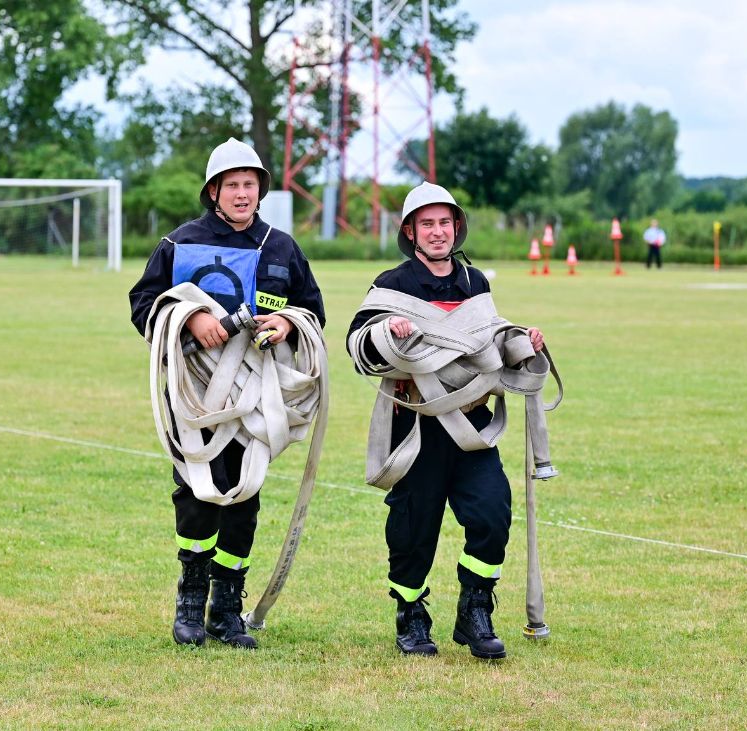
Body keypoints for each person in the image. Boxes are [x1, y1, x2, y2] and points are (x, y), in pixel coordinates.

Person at [129, 138, 325, 649]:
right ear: (214, 191)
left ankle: (226, 609)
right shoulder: (178, 244)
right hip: (195, 393)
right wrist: (190, 317)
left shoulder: (282, 247)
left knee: (245, 494)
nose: (242, 194)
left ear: (261, 189)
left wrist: (286, 322)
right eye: (232, 185)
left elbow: (313, 311)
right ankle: (191, 602)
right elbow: (142, 303)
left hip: (258, 396)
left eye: (250, 184)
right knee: (197, 491)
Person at [346, 182, 545, 660]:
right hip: (414, 429)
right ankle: (411, 615)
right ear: (411, 232)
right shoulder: (392, 284)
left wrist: (523, 345)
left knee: (492, 516)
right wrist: (385, 333)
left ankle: (474, 613)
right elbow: (359, 348)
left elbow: (487, 348)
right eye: (427, 224)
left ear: (457, 228)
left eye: (445, 223)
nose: (437, 233)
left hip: (472, 427)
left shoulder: (476, 284)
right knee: (413, 531)